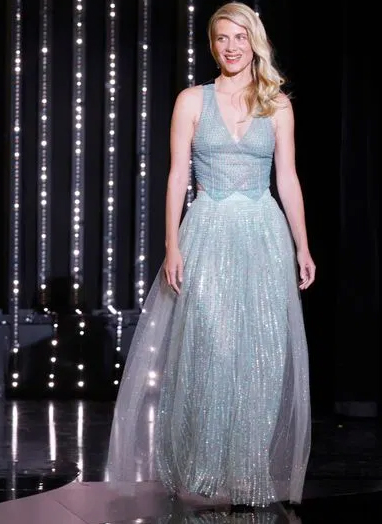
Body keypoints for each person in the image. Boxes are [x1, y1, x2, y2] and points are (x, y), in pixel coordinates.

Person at [106, 1, 314, 511]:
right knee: (212, 351)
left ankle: (247, 473)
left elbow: (287, 178)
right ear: (212, 44)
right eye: (223, 38)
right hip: (208, 232)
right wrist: (171, 244)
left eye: (240, 37)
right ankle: (203, 467)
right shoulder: (191, 101)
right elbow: (177, 175)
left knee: (262, 355)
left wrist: (303, 245)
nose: (231, 47)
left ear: (254, 42)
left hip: (263, 235)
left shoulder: (277, 104)